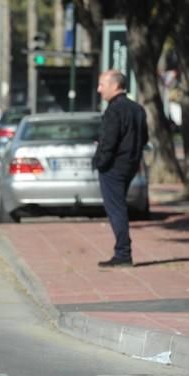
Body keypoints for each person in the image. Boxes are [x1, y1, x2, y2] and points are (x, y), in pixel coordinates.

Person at [93, 69, 148, 268]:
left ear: (115, 86)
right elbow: (144, 138)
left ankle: (123, 252)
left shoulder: (114, 110)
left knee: (116, 209)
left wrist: (100, 160)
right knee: (119, 207)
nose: (99, 90)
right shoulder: (137, 109)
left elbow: (109, 141)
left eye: (102, 85)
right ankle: (122, 251)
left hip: (114, 167)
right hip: (130, 164)